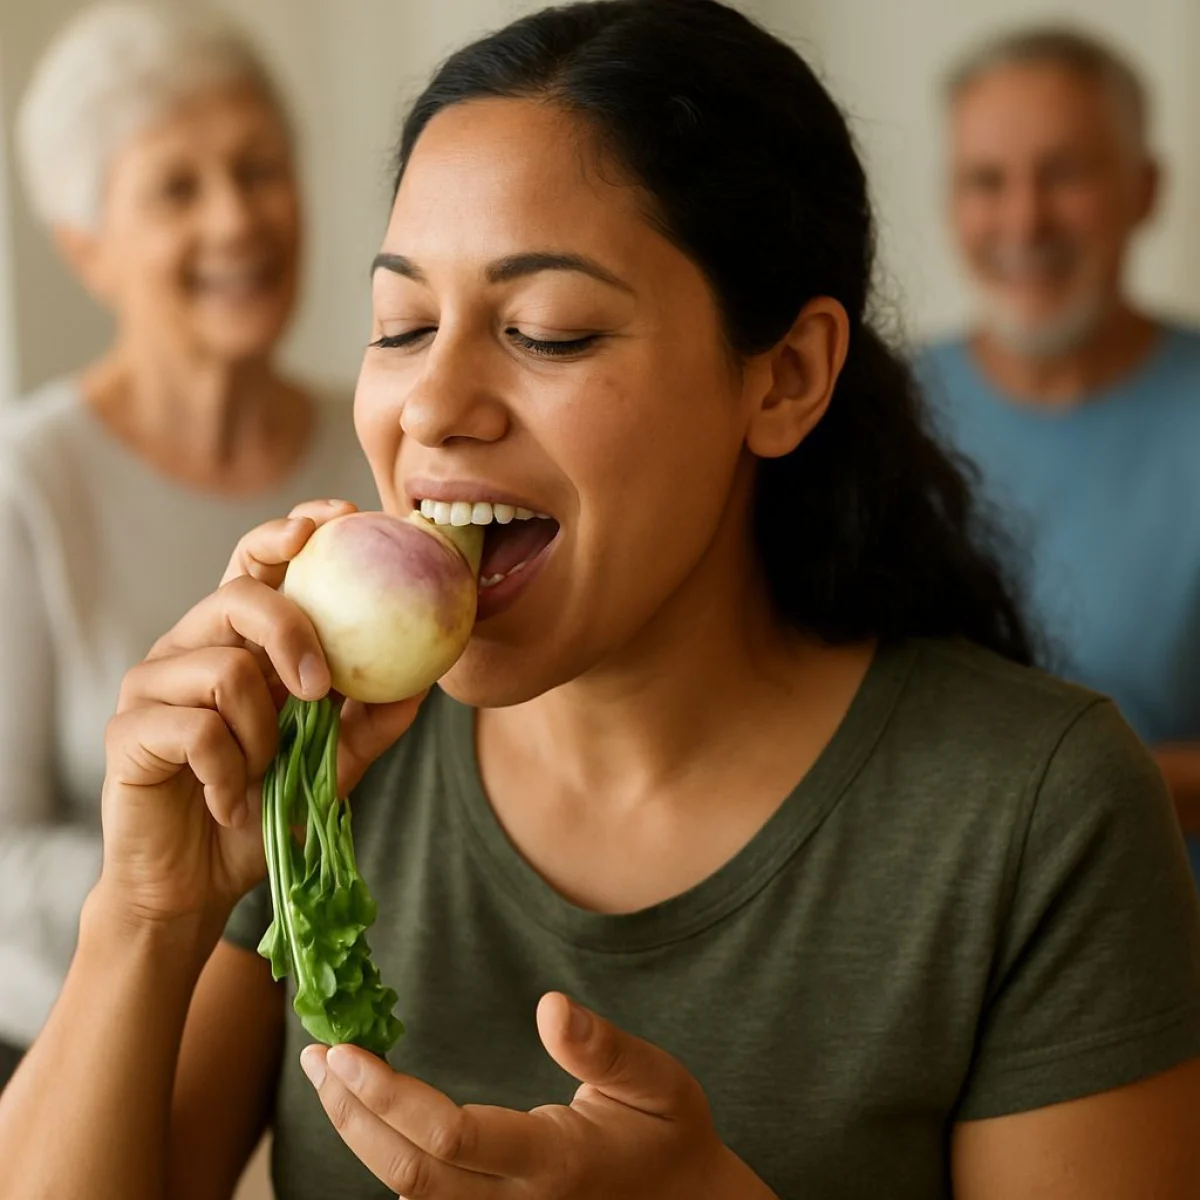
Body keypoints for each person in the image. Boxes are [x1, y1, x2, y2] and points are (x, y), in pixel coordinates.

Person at [3, 2, 1200, 1196]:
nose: (430, 406)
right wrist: (145, 914)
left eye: (548, 331)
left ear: (784, 378)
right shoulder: (320, 770)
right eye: (402, 324)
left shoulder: (1046, 815)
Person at [0, 3, 374, 1084]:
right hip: (77, 1045)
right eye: (177, 187)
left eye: (260, 167)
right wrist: (228, 873)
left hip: (338, 1041)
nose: (237, 220)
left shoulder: (384, 450)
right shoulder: (27, 484)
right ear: (87, 249)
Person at [917, 28, 1200, 882]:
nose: (1024, 219)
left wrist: (1059, 796)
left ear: (1145, 190)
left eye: (1065, 173)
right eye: (987, 181)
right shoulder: (870, 415)